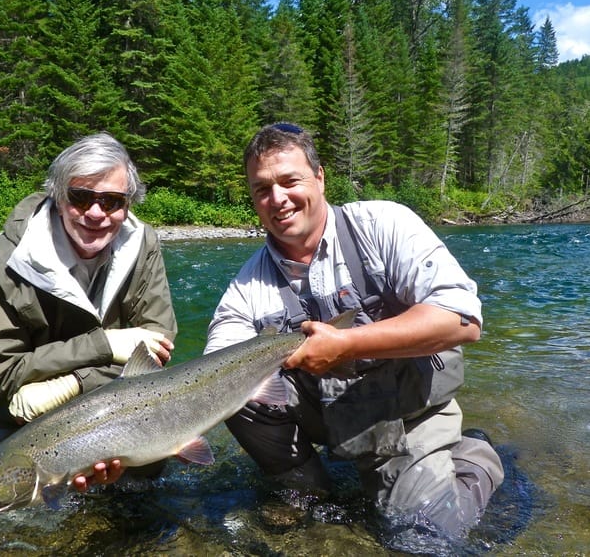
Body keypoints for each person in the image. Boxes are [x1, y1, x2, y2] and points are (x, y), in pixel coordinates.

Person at [205, 123, 504, 538]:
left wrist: (347, 344)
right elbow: (209, 372)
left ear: (320, 177)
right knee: (236, 392)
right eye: (261, 189)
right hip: (332, 415)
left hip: (410, 414)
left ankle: (475, 459)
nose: (278, 199)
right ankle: (309, 495)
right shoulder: (247, 287)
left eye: (290, 181)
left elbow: (462, 319)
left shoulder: (382, 225)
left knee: (419, 537)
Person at [0, 132, 177, 487]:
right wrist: (104, 345)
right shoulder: (2, 263)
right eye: (81, 197)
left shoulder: (143, 244)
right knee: (7, 510)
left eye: (112, 201)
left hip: (107, 404)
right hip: (11, 418)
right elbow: (1, 380)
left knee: (144, 487)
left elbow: (156, 347)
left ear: (128, 204)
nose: (96, 213)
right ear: (58, 196)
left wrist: (75, 385)